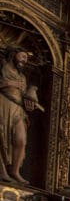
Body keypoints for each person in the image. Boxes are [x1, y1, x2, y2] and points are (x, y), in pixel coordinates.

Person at [0, 47, 42, 184]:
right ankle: (2, 171)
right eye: (22, 56)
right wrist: (9, 83)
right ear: (14, 55)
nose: (24, 60)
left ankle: (15, 171)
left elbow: (25, 95)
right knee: (1, 138)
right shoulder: (2, 68)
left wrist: (31, 98)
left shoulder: (22, 77)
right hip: (3, 103)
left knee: (21, 140)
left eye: (26, 58)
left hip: (18, 108)